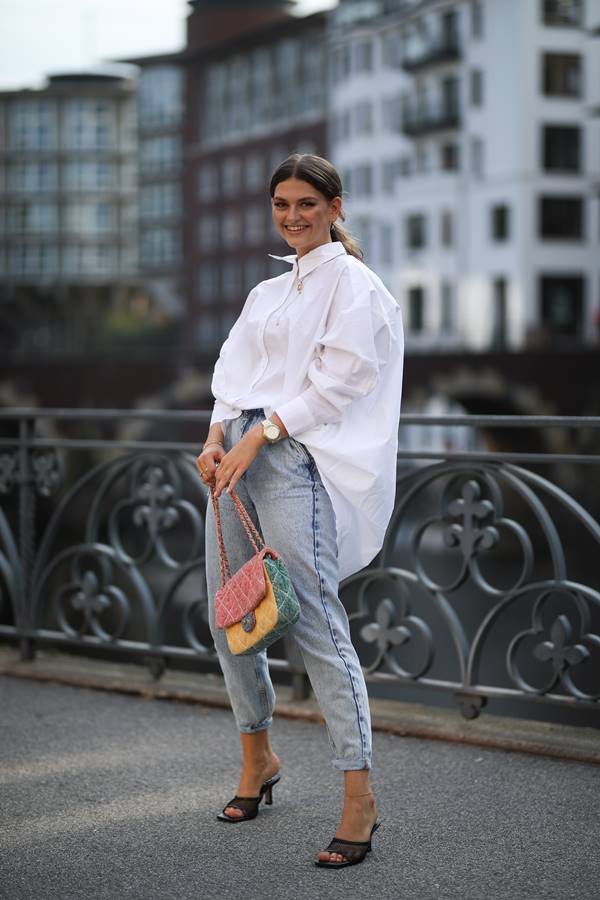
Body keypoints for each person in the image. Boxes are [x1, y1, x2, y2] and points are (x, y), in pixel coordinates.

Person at [196, 153, 404, 869]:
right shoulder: (265, 292)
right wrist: (217, 434)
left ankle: (359, 797)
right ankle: (259, 759)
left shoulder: (355, 285)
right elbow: (231, 372)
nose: (291, 216)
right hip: (238, 458)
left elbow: (346, 378)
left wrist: (263, 432)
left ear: (335, 206)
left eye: (306, 204)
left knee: (315, 621)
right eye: (281, 204)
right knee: (230, 613)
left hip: (291, 460)